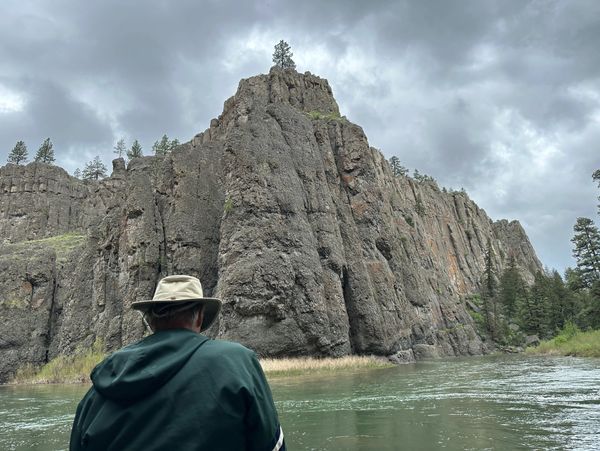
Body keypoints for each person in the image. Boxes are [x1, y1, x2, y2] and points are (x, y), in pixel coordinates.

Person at [70, 274, 285, 451]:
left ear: (150, 321)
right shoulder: (237, 362)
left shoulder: (101, 385)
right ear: (200, 317)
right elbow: (271, 445)